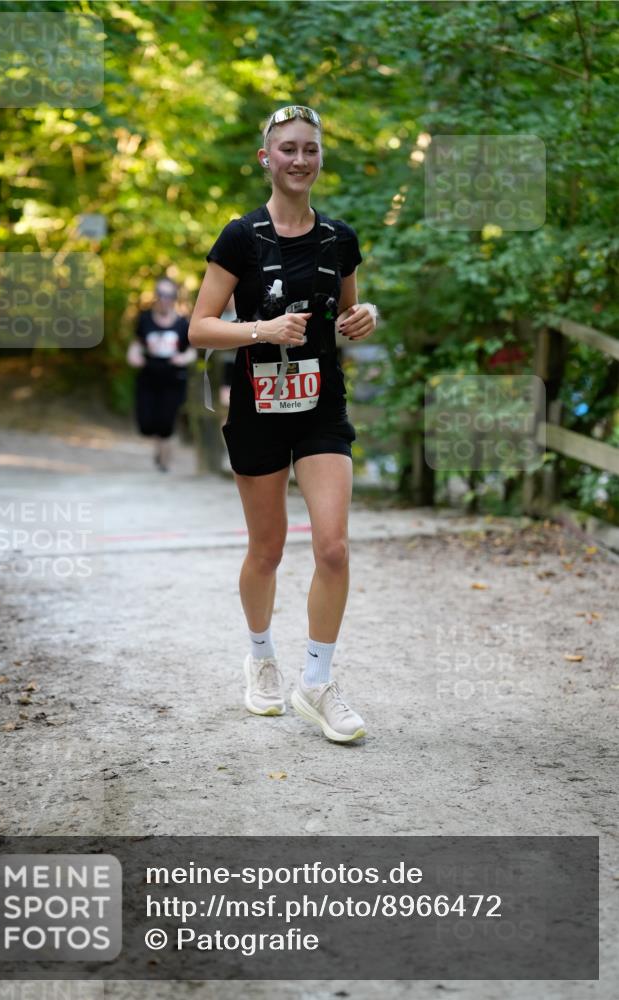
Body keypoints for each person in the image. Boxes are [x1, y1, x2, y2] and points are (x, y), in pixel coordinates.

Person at [189, 105, 378, 743]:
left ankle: (317, 683)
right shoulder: (241, 236)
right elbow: (199, 327)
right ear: (266, 159)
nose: (301, 160)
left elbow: (347, 312)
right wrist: (261, 330)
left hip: (322, 405)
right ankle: (261, 658)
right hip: (259, 409)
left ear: (321, 158)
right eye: (288, 149)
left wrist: (364, 316)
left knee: (332, 546)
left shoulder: (338, 238)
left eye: (311, 149)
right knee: (267, 550)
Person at [126, 277, 196, 471]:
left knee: (166, 421)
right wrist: (133, 355)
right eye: (161, 295)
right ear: (156, 297)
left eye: (169, 295)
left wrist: (183, 358)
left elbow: (192, 351)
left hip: (173, 378)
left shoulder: (183, 323)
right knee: (147, 424)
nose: (165, 299)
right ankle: (160, 450)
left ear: (175, 297)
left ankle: (164, 460)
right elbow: (138, 343)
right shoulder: (145, 319)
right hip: (149, 377)